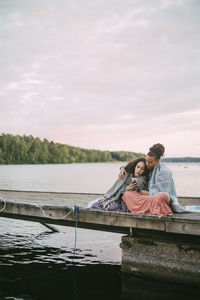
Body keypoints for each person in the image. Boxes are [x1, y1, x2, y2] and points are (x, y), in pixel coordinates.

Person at [121, 143, 186, 215]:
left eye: (150, 162)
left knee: (162, 197)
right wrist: (122, 168)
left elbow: (166, 193)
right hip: (149, 198)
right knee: (128, 194)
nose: (147, 164)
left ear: (157, 161)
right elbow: (134, 164)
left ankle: (149, 208)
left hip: (161, 199)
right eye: (146, 161)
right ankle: (150, 208)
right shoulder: (149, 167)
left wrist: (149, 193)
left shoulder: (164, 171)